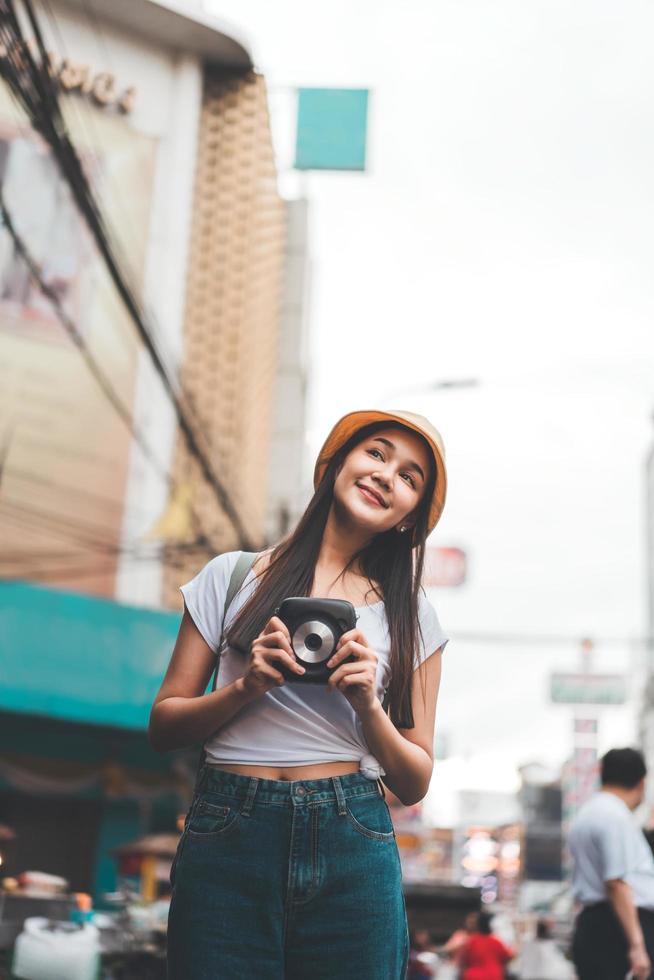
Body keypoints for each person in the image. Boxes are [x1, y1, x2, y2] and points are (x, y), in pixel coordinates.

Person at [149, 409, 450, 979]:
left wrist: (367, 706)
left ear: (411, 518)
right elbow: (164, 726)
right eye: (377, 454)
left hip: (352, 838)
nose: (387, 476)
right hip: (228, 831)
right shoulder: (232, 577)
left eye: (410, 478)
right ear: (336, 462)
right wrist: (247, 686)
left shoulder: (414, 620)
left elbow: (414, 780)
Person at [569, 746, 654, 980]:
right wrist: (637, 946)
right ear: (641, 783)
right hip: (620, 929)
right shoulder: (615, 817)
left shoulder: (586, 814)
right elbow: (616, 882)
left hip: (595, 925)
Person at [460, 910, 515, 980]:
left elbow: (463, 961)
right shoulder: (496, 942)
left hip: (474, 976)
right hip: (493, 976)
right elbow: (508, 956)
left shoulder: (470, 942)